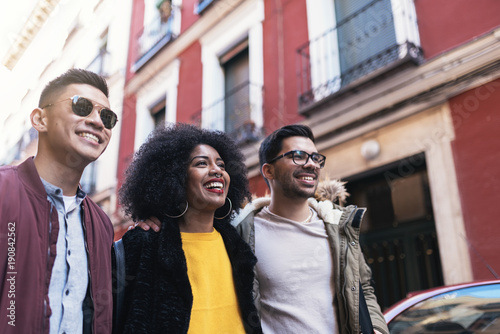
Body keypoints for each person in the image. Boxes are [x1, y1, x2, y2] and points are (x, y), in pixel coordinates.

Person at [231, 124, 389, 334]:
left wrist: (377, 329)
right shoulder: (243, 234)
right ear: (269, 170)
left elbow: (363, 288)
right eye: (298, 156)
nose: (311, 164)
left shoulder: (338, 226)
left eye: (315, 158)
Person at [0, 69, 118, 333]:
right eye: (82, 106)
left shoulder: (101, 224)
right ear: (40, 119)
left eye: (107, 117)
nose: (98, 122)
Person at [115, 123, 262, 333]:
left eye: (221, 165)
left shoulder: (237, 244)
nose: (217, 171)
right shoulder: (145, 244)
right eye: (201, 163)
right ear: (175, 178)